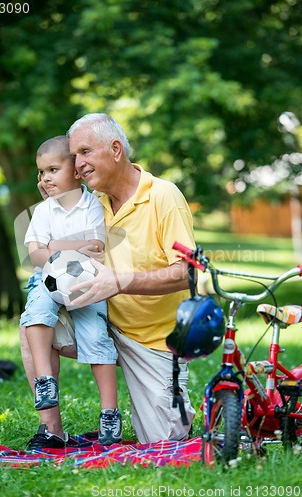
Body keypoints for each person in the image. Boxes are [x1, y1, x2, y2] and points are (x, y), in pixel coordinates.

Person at [20, 113, 196, 446]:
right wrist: (50, 187)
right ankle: (52, 430)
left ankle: (157, 405)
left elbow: (188, 272)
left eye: (85, 152)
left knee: (165, 439)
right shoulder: (90, 200)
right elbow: (44, 240)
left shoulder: (163, 197)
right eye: (74, 156)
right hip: (98, 320)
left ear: (115, 149)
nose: (78, 163)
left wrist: (119, 282)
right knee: (34, 319)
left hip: (152, 341)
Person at [19, 135, 122, 448]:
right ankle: (45, 381)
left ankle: (110, 414)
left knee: (97, 338)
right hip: (47, 280)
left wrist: (52, 246)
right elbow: (34, 256)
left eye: (52, 169)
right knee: (35, 313)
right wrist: (68, 247)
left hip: (85, 282)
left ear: (76, 172)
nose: (45, 178)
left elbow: (97, 249)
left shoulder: (91, 205)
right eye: (41, 172)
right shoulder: (44, 211)